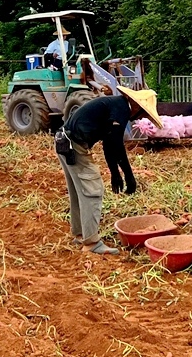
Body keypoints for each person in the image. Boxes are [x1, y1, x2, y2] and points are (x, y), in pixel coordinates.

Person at [54, 86, 163, 255]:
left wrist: (117, 173)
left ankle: (80, 234)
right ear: (136, 105)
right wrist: (127, 176)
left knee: (79, 192)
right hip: (73, 146)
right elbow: (116, 144)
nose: (140, 117)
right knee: (93, 191)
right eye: (142, 113)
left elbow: (108, 144)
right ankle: (91, 243)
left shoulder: (115, 105)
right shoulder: (121, 109)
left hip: (65, 141)